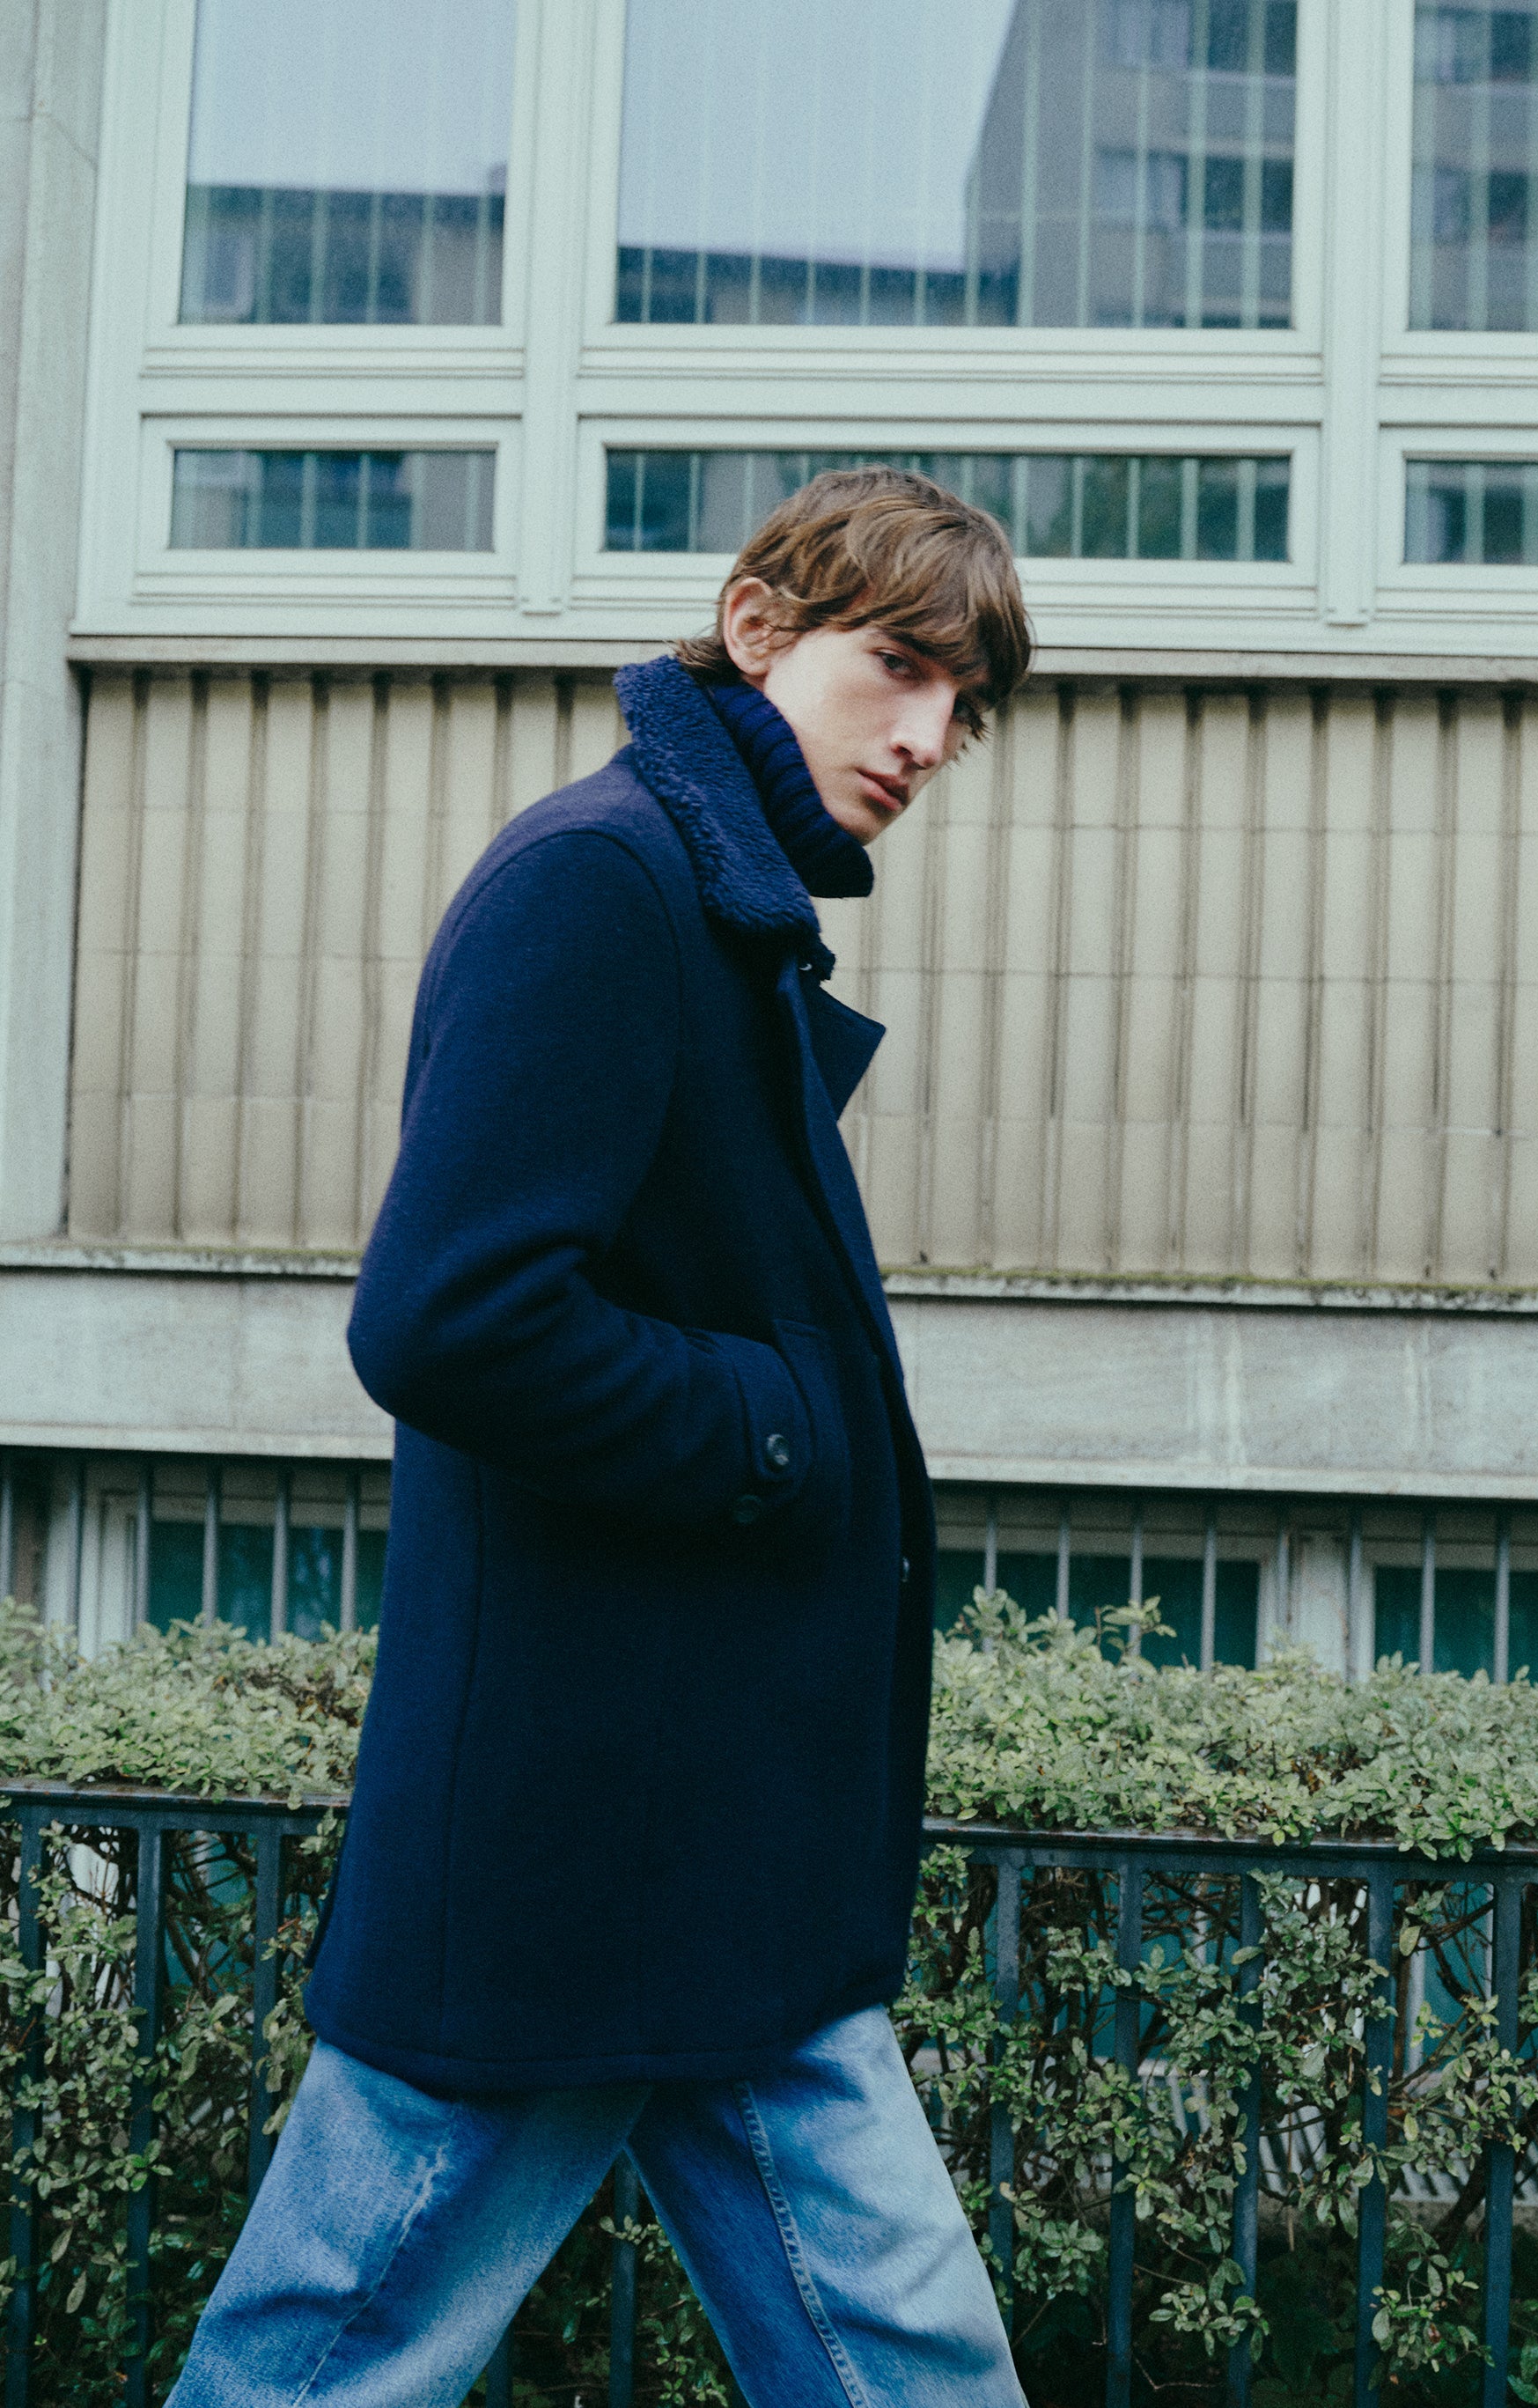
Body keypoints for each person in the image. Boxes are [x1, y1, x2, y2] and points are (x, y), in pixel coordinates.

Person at [168, 468, 1034, 2407]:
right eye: (898, 669)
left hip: (720, 1843)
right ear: (755, 629)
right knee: (319, 2365)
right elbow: (448, 1315)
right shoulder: (604, 880)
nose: (927, 739)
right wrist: (779, 1431)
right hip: (577, 1844)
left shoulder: (713, 904)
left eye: (962, 706)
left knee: (913, 2361)